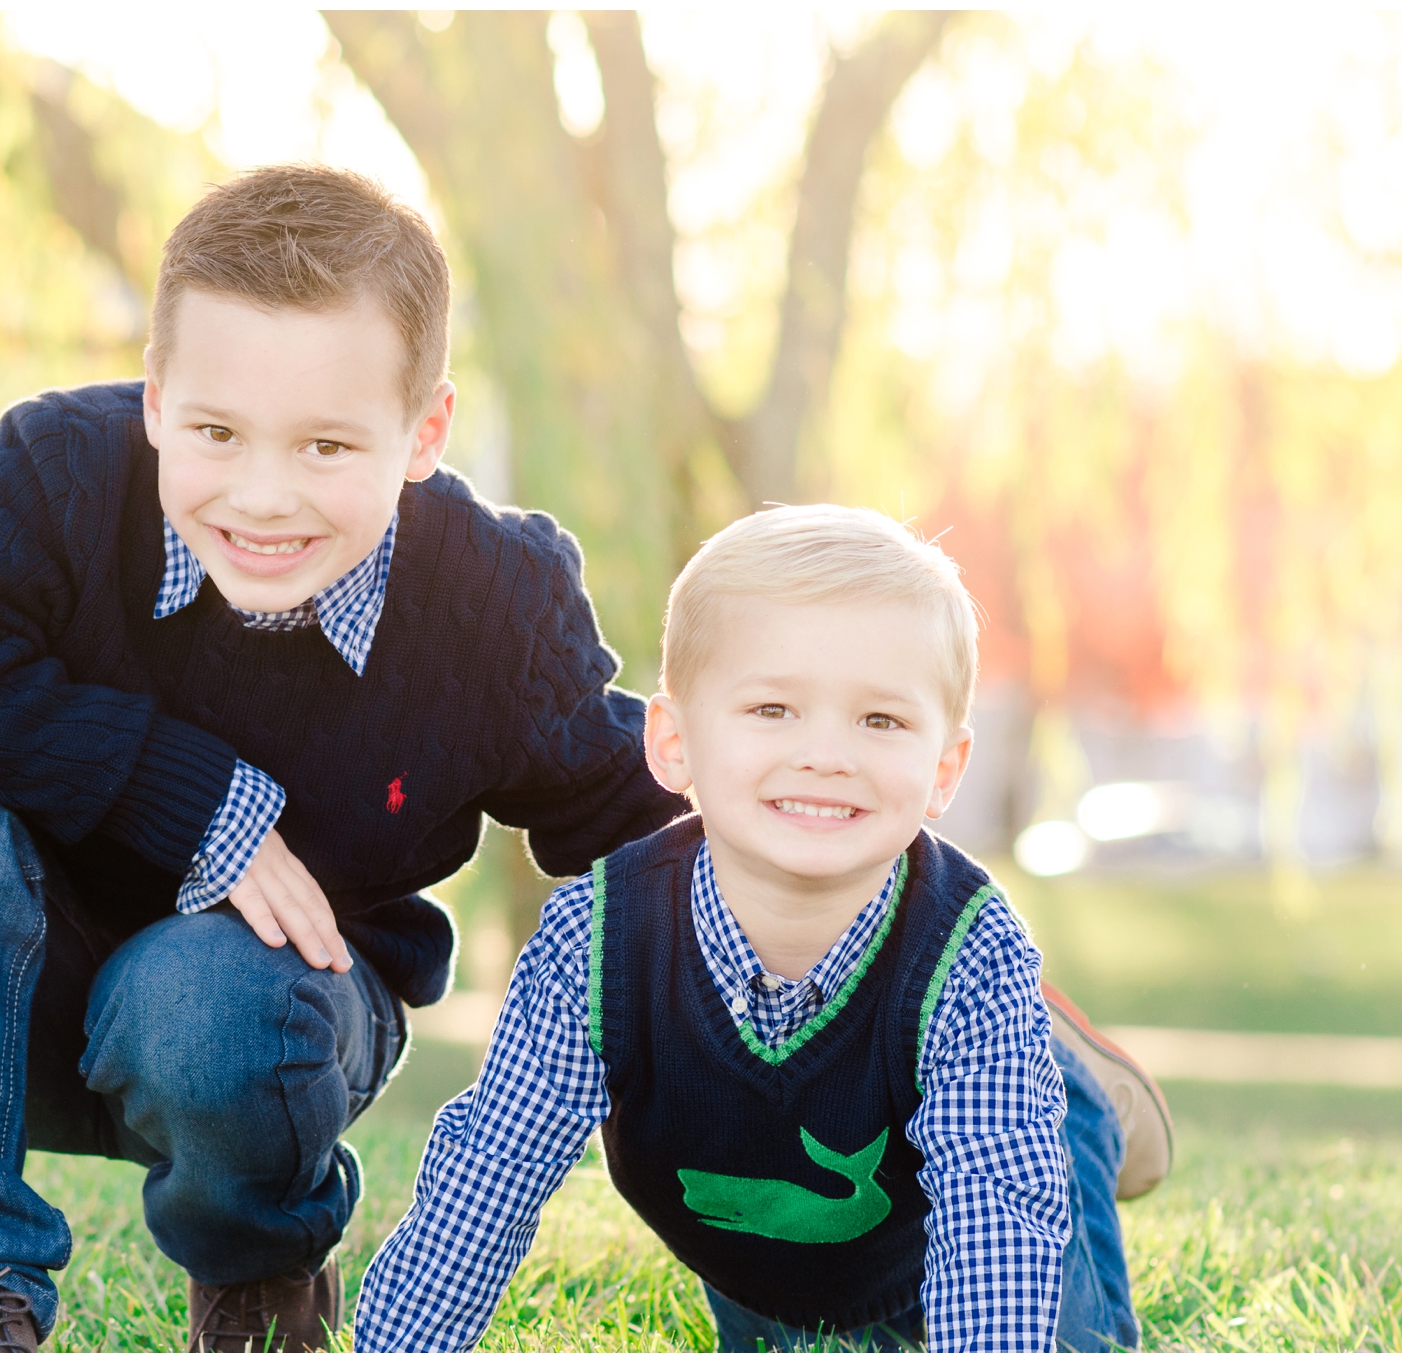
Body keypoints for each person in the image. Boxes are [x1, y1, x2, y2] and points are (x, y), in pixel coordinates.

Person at [0, 165, 690, 1353]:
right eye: (216, 432)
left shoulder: (488, 598)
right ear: (155, 400)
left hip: (271, 1020)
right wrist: (192, 801)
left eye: (326, 444)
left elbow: (625, 802)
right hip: (13, 995)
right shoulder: (59, 473)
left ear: (423, 432)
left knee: (206, 997)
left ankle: (257, 1272)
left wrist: (839, 880)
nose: (262, 495)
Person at [353, 505, 1173, 1352]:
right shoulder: (595, 947)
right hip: (769, 1252)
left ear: (943, 769)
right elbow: (491, 1172)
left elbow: (997, 1217)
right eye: (773, 708)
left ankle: (1062, 1083)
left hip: (957, 1179)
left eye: (880, 720)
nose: (826, 754)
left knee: (1062, 1326)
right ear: (673, 742)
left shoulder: (969, 953)